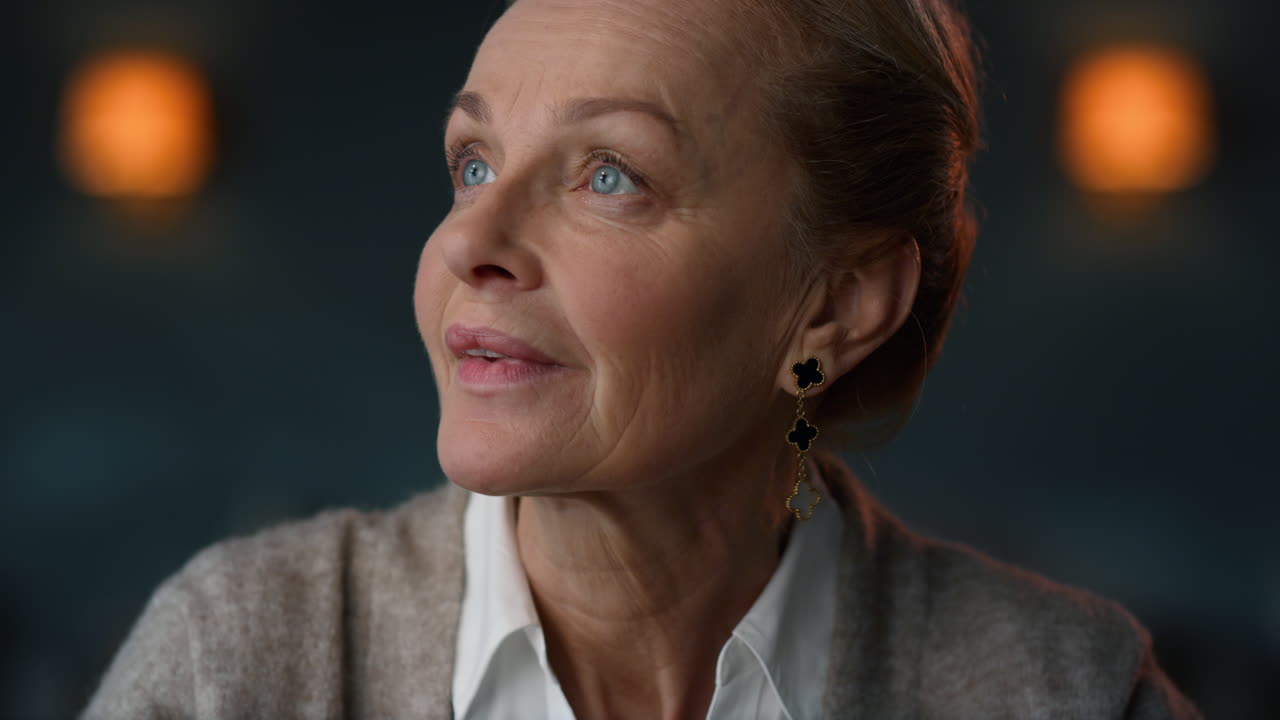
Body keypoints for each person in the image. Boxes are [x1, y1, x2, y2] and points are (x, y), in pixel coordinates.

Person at [81, 0, 1204, 718]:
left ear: (837, 302)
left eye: (608, 173)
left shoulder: (1063, 689)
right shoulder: (236, 662)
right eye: (472, 164)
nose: (467, 242)